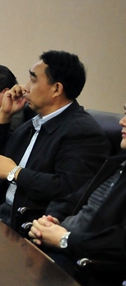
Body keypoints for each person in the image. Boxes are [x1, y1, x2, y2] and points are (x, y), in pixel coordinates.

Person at [0, 51, 109, 228]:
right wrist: (4, 114)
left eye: (33, 81)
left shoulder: (82, 132)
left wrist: (15, 173)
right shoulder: (36, 121)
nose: (25, 88)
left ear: (56, 89)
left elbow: (68, 188)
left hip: (26, 221)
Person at [28, 104, 126, 265]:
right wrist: (52, 220)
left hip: (86, 263)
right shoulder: (117, 162)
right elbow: (73, 198)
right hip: (62, 243)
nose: (122, 121)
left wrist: (65, 240)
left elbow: (118, 242)